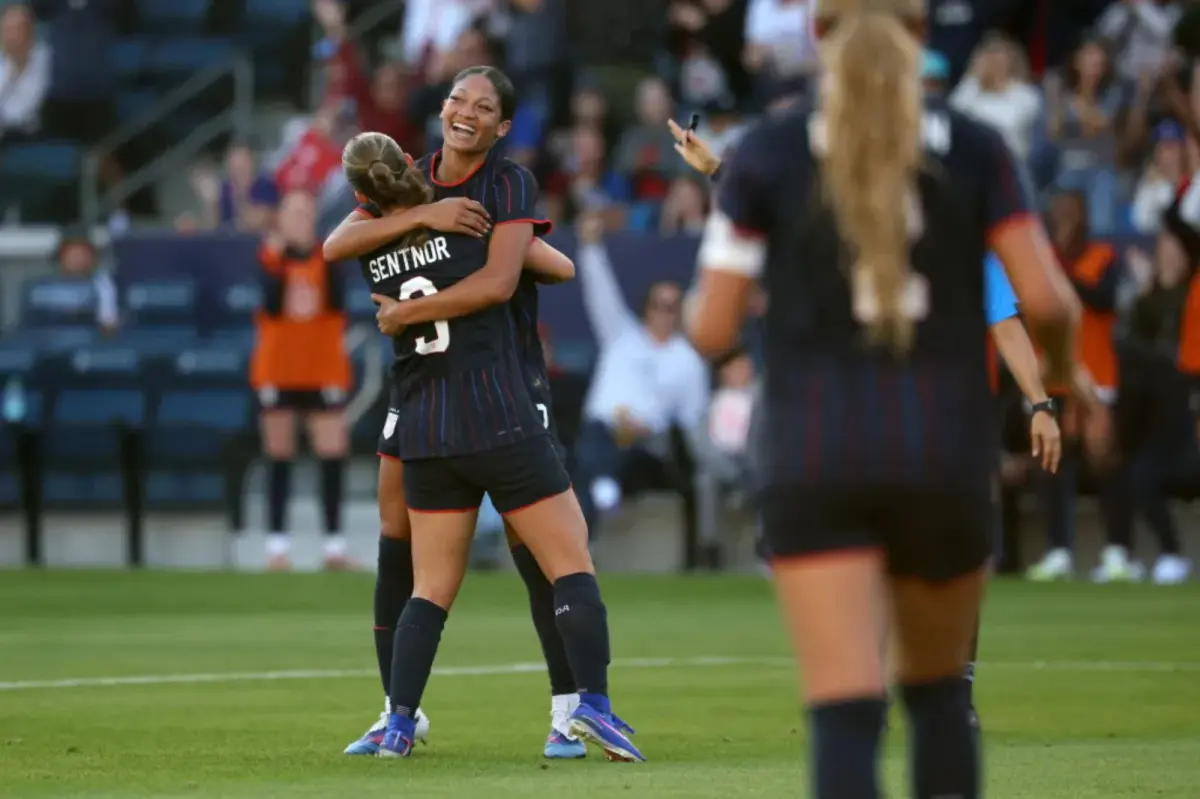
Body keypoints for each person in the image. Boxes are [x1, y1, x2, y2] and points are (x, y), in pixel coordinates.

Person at [682, 0, 1107, 796]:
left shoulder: (767, 151)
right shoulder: (980, 149)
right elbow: (1048, 304)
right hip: (943, 445)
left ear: (816, 33)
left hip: (814, 446)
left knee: (846, 710)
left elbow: (710, 329)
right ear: (920, 35)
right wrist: (1060, 382)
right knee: (942, 699)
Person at [672, 116, 1064, 735]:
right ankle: (941, 697)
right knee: (937, 564)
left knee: (898, 566)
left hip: (856, 425)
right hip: (928, 426)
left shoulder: (906, 225)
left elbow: (738, 281)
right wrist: (1043, 401)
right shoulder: (945, 217)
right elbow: (1019, 315)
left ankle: (893, 695)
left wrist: (1042, 402)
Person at [325, 67, 642, 762]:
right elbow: (534, 272)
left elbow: (339, 246)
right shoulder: (443, 191)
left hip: (428, 409)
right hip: (487, 397)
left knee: (434, 572)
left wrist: (412, 287)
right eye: (457, 99)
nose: (466, 111)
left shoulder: (448, 192)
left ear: (500, 126)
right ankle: (581, 707)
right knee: (555, 553)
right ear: (441, 110)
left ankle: (407, 718)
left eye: (483, 105)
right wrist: (434, 218)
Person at [248, 190, 353, 571]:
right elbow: (272, 304)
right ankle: (277, 547)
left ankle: (334, 547)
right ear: (280, 219)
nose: (299, 220)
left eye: (305, 212)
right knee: (279, 454)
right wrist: (277, 260)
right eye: (292, 212)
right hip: (278, 368)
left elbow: (337, 302)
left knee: (332, 453)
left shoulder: (330, 256)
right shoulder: (269, 258)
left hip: (323, 368)